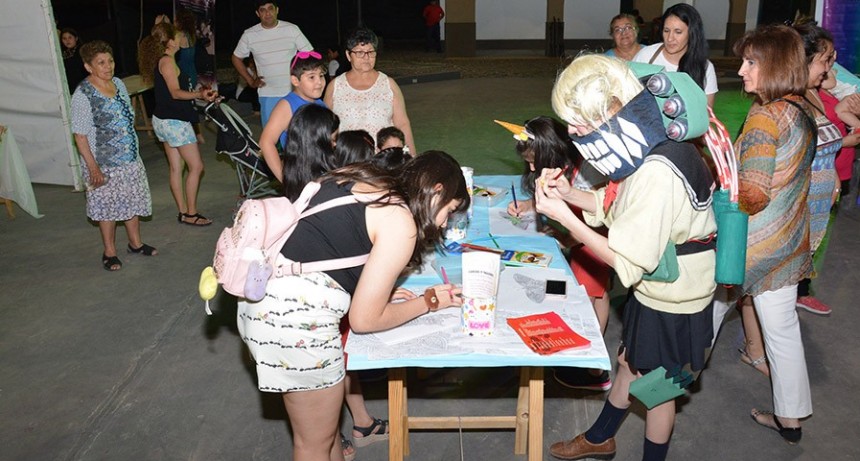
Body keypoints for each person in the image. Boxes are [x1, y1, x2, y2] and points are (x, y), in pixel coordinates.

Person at [237, 141, 470, 460]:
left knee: (326, 435)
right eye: (450, 211)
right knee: (312, 445)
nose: (444, 223)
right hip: (296, 323)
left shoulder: (359, 177)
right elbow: (364, 320)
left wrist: (381, 291)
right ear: (436, 190)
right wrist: (427, 302)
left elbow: (330, 241)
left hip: (264, 300)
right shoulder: (399, 221)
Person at [542, 54, 716, 461]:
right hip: (659, 289)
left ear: (613, 114)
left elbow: (625, 260)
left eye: (581, 123)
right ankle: (601, 436)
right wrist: (568, 194)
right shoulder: (650, 149)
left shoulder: (656, 171)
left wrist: (565, 218)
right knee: (630, 364)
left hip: (673, 300)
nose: (573, 132)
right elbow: (612, 203)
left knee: (655, 390)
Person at [730, 24, 815, 445]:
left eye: (751, 63)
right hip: (788, 244)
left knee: (698, 319)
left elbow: (752, 195)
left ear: (775, 66)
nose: (742, 71)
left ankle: (660, 391)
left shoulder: (765, 115)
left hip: (750, 248)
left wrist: (721, 179)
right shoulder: (801, 109)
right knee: (782, 332)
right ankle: (791, 421)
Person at [499, 116, 612, 391]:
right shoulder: (564, 165)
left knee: (591, 295)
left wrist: (565, 238)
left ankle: (594, 369)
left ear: (552, 152)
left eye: (533, 160)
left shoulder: (587, 172)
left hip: (594, 240)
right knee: (592, 292)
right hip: (581, 237)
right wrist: (530, 204)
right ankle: (591, 360)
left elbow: (594, 220)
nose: (531, 166)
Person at [71, 40, 157, 271]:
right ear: (89, 67)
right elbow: (80, 136)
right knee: (106, 208)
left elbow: (126, 118)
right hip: (103, 163)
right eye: (101, 63)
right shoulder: (82, 94)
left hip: (129, 158)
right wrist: (93, 169)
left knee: (131, 201)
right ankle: (109, 252)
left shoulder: (118, 83)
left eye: (110, 61)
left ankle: (135, 244)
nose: (108, 67)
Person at [139, 22, 218, 226]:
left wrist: (199, 93)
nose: (183, 39)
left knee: (176, 167)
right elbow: (175, 93)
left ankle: (183, 213)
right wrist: (199, 94)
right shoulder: (167, 62)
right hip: (174, 122)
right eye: (179, 36)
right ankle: (191, 213)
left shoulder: (164, 60)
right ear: (171, 41)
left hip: (163, 119)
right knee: (196, 166)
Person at [324, 27, 418, 155]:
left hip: (383, 160)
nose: (366, 57)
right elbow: (326, 128)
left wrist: (410, 158)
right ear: (348, 55)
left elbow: (402, 124)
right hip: (347, 160)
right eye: (360, 52)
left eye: (370, 52)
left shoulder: (388, 84)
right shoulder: (335, 86)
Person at [231, 1, 313, 128]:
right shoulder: (249, 34)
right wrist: (251, 81)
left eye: (270, 8)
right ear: (257, 13)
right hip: (268, 94)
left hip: (294, 92)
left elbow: (310, 55)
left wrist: (304, 80)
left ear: (277, 10)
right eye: (263, 10)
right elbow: (236, 58)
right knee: (270, 138)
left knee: (298, 136)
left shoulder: (291, 29)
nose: (267, 13)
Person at [258, 51, 327, 182]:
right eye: (312, 77)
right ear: (295, 80)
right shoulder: (286, 106)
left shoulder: (321, 104)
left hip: (322, 174)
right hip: (301, 176)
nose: (319, 82)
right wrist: (284, 179)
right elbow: (266, 142)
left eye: (321, 76)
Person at [633, 3, 718, 106]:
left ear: (692, 33)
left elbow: (706, 113)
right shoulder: (646, 55)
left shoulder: (705, 67)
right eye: (666, 31)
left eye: (678, 32)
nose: (670, 38)